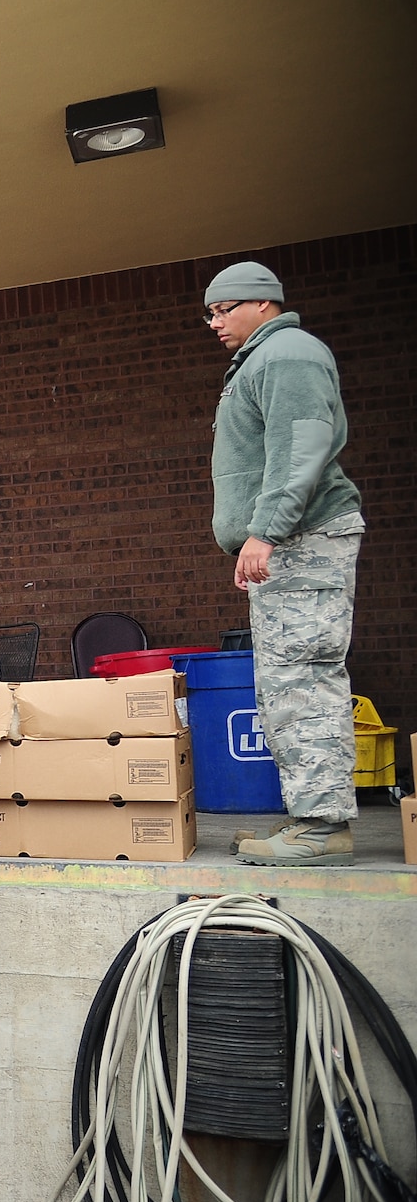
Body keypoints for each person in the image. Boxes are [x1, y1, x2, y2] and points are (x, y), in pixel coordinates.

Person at [202, 262, 367, 867]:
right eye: (210, 313)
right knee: (285, 680)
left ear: (265, 303)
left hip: (303, 537)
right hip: (294, 542)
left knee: (303, 677)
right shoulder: (266, 358)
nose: (214, 322)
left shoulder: (288, 354)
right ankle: (309, 816)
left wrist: (265, 532)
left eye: (224, 309)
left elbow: (301, 448)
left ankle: (322, 826)